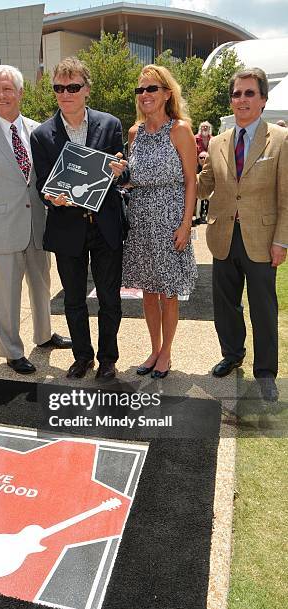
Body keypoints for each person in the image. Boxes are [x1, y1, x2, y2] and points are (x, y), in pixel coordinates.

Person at [0, 64, 71, 375]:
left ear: (20, 93)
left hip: (37, 226)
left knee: (42, 285)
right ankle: (11, 351)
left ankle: (44, 335)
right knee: (5, 295)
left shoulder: (38, 131)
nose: (1, 95)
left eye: (7, 89)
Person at [31, 57, 127, 381]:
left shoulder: (111, 125)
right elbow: (44, 182)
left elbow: (121, 173)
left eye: (73, 87)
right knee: (73, 300)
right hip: (66, 227)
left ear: (86, 89)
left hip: (105, 227)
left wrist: (118, 171)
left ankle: (108, 359)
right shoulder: (42, 135)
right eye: (59, 87)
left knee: (109, 299)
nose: (65, 93)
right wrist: (50, 195)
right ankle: (83, 357)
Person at [197, 67, 288, 402]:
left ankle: (265, 373)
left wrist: (282, 240)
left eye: (250, 93)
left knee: (263, 307)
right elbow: (206, 186)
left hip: (262, 239)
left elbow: (286, 196)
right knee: (225, 305)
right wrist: (188, 169)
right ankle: (232, 354)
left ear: (263, 100)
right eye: (237, 93)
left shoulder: (280, 139)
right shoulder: (219, 142)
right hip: (223, 235)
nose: (242, 99)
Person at [122, 64, 197, 378]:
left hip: (169, 220)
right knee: (148, 292)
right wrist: (120, 176)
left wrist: (185, 224)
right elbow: (130, 179)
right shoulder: (134, 133)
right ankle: (154, 349)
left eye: (151, 88)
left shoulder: (180, 129)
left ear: (167, 93)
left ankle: (166, 353)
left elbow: (191, 181)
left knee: (168, 292)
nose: (145, 95)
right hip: (139, 219)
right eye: (140, 89)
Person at [194, 150, 209, 225]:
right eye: (201, 157)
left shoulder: (211, 168)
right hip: (198, 190)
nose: (203, 159)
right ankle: (197, 217)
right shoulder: (195, 168)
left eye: (205, 157)